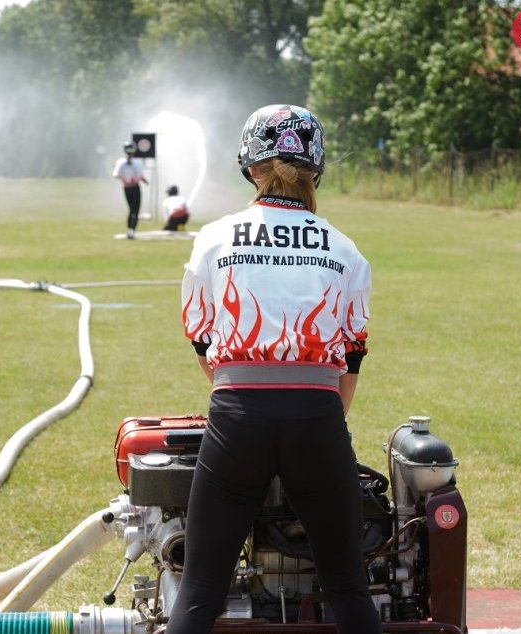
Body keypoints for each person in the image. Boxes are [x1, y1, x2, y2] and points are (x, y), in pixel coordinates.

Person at [169, 104, 380, 634]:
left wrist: (244, 402)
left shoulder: (214, 238)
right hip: (318, 415)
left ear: (250, 164)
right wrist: (319, 423)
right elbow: (351, 359)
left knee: (198, 593)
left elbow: (202, 343)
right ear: (316, 167)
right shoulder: (346, 248)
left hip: (238, 413)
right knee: (350, 591)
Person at [112, 141, 148, 239]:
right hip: (135, 188)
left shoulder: (121, 162)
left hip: (127, 189)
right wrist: (145, 181)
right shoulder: (137, 162)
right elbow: (140, 175)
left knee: (131, 210)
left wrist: (124, 179)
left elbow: (116, 174)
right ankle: (131, 230)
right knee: (135, 211)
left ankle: (129, 230)